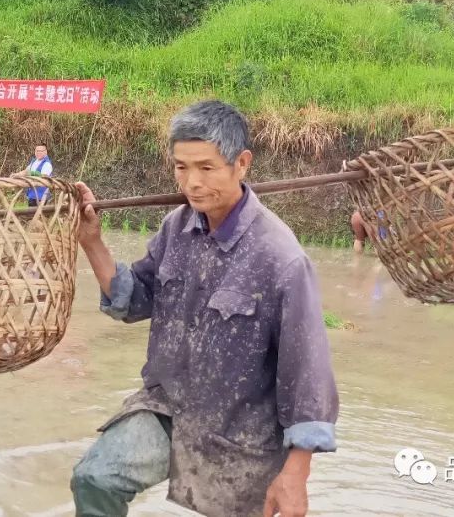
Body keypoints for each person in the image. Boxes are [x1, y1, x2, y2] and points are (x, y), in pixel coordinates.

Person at [70, 100, 338, 517]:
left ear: (241, 164)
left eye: (206, 168)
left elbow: (308, 372)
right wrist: (91, 242)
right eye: (181, 167)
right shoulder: (176, 227)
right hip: (168, 408)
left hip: (239, 433)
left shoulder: (280, 258)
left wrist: (295, 474)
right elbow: (135, 297)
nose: (192, 182)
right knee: (95, 478)